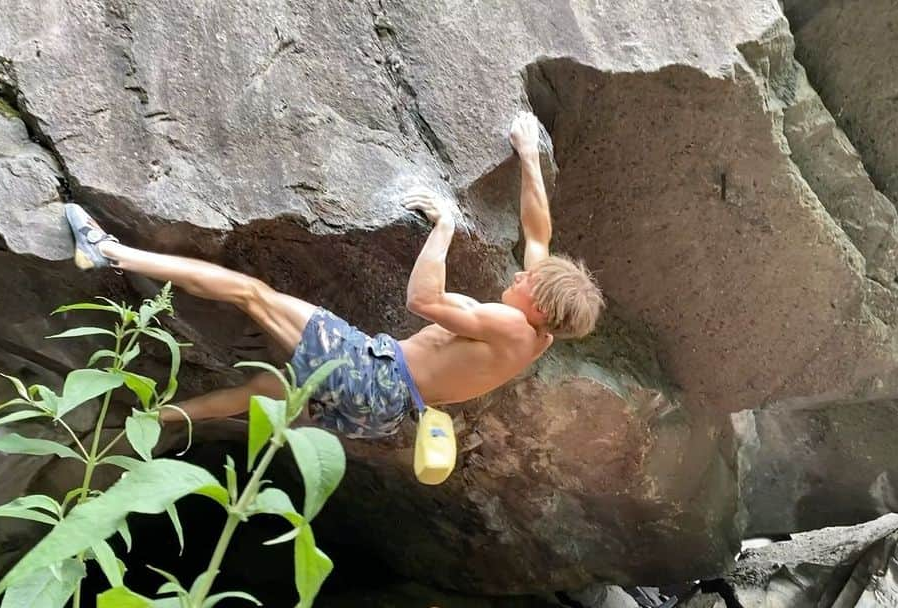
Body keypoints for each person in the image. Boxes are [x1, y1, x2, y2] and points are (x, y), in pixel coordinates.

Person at [64, 112, 604, 439]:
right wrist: (529, 155)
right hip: (381, 413)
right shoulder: (539, 331)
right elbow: (538, 235)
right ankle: (159, 421)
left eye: (526, 284)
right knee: (264, 391)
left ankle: (109, 251)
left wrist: (443, 227)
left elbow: (423, 300)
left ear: (537, 306)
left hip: (373, 377)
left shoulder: (509, 323)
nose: (519, 278)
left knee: (253, 294)